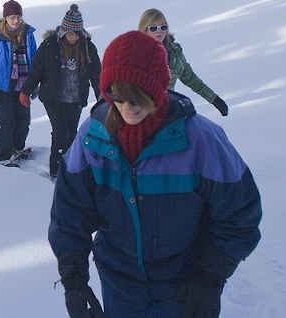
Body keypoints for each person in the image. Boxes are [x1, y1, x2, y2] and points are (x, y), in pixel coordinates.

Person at [49, 31, 262, 318]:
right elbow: (69, 212)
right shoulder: (93, 138)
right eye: (117, 95)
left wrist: (209, 277)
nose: (127, 107)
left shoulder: (200, 140)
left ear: (158, 89)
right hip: (120, 287)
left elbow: (240, 214)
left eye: (137, 97)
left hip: (184, 289)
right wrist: (74, 279)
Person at [20, 4, 101, 179]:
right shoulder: (50, 45)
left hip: (76, 98)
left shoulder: (87, 47)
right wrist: (25, 91)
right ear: (64, 31)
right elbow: (36, 71)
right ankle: (56, 171)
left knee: (71, 133)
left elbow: (96, 74)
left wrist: (101, 96)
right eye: (70, 33)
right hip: (53, 98)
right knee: (59, 132)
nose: (73, 37)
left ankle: (70, 169)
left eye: (76, 34)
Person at [139, 8, 228, 117]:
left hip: (167, 108)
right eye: (153, 28)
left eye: (163, 27)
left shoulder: (175, 53)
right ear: (144, 30)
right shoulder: (137, 53)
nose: (159, 31)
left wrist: (214, 99)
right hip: (142, 111)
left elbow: (190, 78)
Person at [0, 0, 38, 166]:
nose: (16, 20)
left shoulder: (28, 34)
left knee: (24, 121)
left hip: (23, 86)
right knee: (7, 122)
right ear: (5, 18)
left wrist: (34, 84)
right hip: (3, 88)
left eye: (18, 17)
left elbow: (35, 60)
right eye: (12, 17)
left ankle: (17, 147)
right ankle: (2, 155)